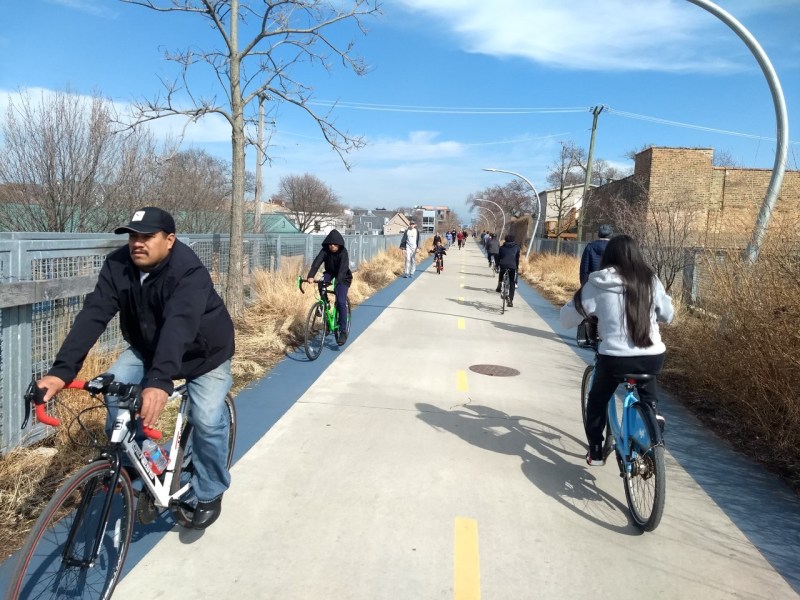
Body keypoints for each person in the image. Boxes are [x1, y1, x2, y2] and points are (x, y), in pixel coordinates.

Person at [35, 207, 235, 530]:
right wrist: (61, 372)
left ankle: (211, 489)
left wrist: (158, 380)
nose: (137, 243)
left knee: (207, 417)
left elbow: (179, 325)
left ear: (170, 240)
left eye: (147, 236)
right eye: (132, 236)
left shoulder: (189, 272)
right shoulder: (117, 265)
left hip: (203, 353)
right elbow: (93, 315)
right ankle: (140, 463)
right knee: (115, 393)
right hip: (148, 348)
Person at [559, 235, 674, 466]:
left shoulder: (598, 283)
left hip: (615, 359)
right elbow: (668, 315)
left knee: (597, 400)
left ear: (608, 256)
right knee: (648, 390)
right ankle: (652, 419)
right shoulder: (650, 280)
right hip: (652, 358)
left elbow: (566, 319)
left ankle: (596, 451)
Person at [307, 229, 353, 346]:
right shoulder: (325, 250)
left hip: (343, 276)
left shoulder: (343, 252)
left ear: (339, 244)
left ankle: (343, 330)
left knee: (341, 301)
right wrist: (311, 275)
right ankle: (324, 305)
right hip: (330, 272)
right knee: (321, 282)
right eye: (330, 244)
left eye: (335, 244)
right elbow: (317, 262)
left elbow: (343, 268)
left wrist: (337, 282)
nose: (332, 246)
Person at [495, 234, 520, 307]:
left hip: (503, 265)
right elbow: (517, 258)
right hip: (512, 266)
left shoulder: (502, 247)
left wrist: (497, 265)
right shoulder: (517, 247)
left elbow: (498, 257)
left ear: (505, 240)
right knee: (512, 282)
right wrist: (516, 267)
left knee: (501, 273)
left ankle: (499, 284)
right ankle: (510, 300)